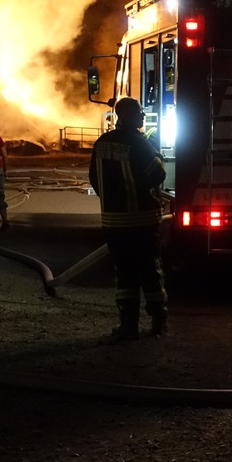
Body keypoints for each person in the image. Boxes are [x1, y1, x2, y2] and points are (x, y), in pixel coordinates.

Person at [89, 96, 169, 341]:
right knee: (150, 271)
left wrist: (114, 200)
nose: (144, 116)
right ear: (128, 116)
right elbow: (158, 172)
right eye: (140, 112)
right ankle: (158, 322)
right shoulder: (139, 143)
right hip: (142, 220)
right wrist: (142, 190)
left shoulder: (102, 143)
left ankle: (128, 325)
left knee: (124, 275)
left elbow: (94, 178)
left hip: (114, 221)